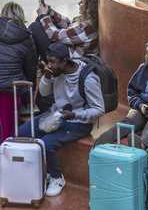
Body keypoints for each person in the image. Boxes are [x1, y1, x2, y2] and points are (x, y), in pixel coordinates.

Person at [18, 43, 105, 197]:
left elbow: (99, 109)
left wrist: (74, 115)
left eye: (53, 62)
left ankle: (57, 178)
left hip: (79, 122)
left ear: (64, 61)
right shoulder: (56, 72)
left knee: (46, 143)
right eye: (48, 61)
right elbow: (44, 93)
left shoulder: (88, 78)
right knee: (23, 132)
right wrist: (46, 77)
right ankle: (35, 172)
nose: (50, 65)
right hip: (57, 115)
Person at [94, 37, 148, 150]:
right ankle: (102, 141)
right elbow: (132, 92)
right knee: (129, 122)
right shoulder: (142, 69)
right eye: (146, 52)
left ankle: (142, 144)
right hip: (141, 108)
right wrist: (140, 105)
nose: (146, 55)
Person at [0, 2, 37, 142]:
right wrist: (29, 92)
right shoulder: (26, 36)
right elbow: (30, 67)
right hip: (12, 89)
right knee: (8, 129)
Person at [30, 0, 99, 60]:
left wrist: (43, 15)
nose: (78, 3)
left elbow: (54, 35)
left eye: (82, 2)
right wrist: (49, 12)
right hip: (68, 48)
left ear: (89, 8)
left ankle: (35, 61)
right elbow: (67, 24)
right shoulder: (86, 20)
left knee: (35, 26)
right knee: (41, 22)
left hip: (71, 60)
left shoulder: (86, 27)